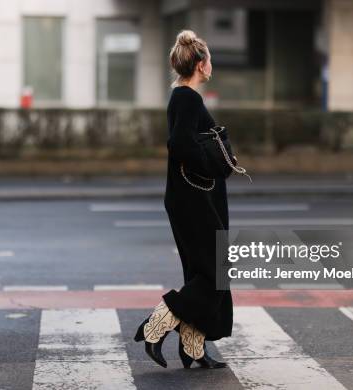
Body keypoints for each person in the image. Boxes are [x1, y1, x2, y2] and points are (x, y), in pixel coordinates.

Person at [133, 29, 234, 369]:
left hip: (188, 197)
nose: (212, 65)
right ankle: (158, 323)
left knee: (202, 271)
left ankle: (192, 347)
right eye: (210, 60)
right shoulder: (188, 98)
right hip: (193, 199)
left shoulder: (181, 95)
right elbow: (180, 144)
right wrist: (211, 166)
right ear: (201, 64)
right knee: (218, 270)